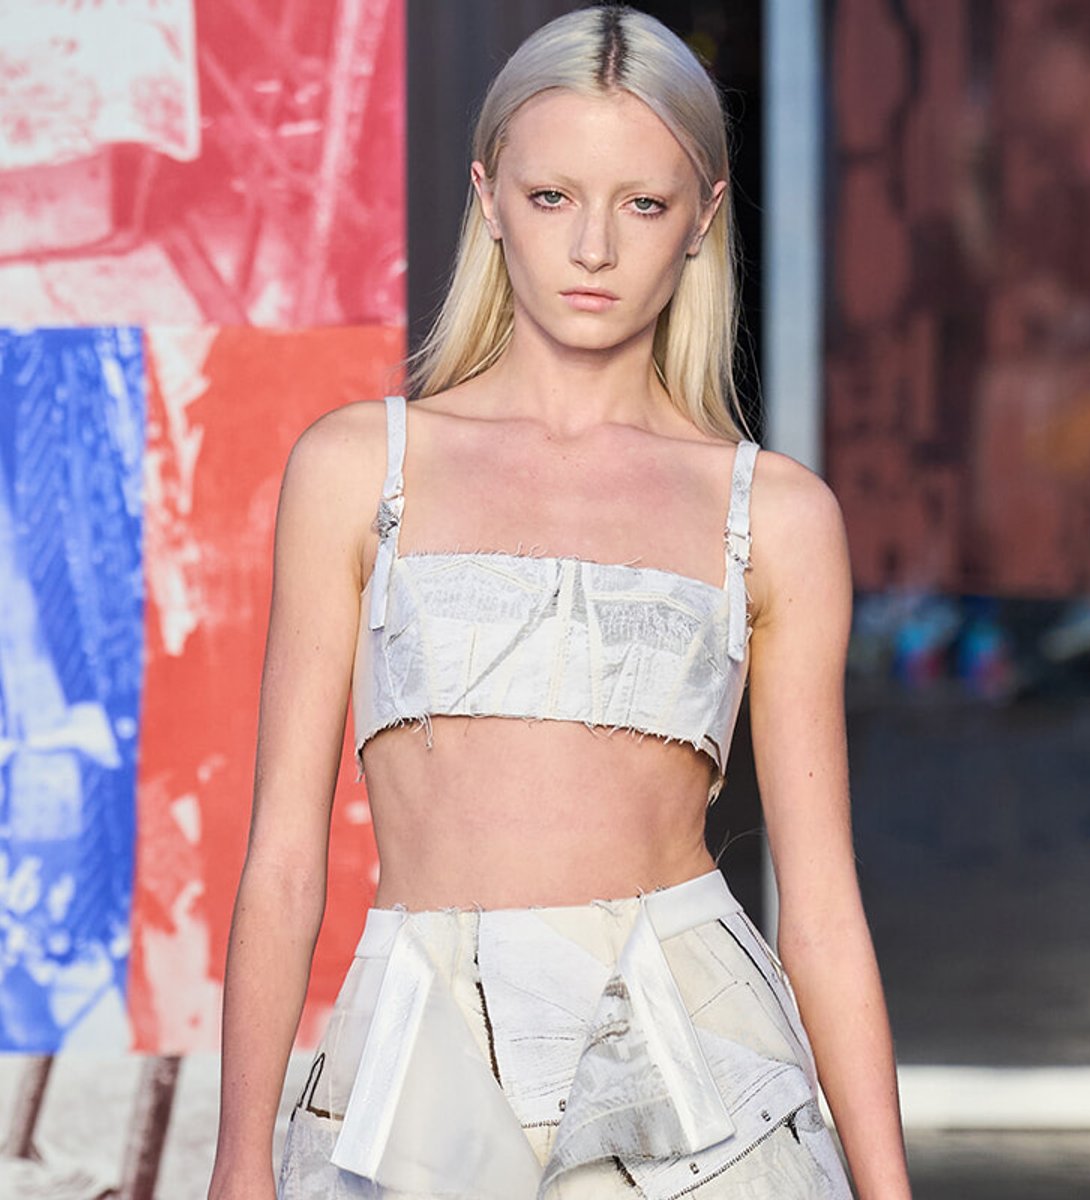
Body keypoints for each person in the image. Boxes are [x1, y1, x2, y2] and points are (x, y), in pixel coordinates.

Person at [207, 7, 910, 1199]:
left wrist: (888, 1188)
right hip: (421, 1064)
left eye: (643, 203)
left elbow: (823, 903)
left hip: (696, 1073)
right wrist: (238, 1160)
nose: (593, 246)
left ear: (703, 218)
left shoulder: (775, 516)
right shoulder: (358, 470)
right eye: (552, 197)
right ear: (489, 199)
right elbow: (283, 854)